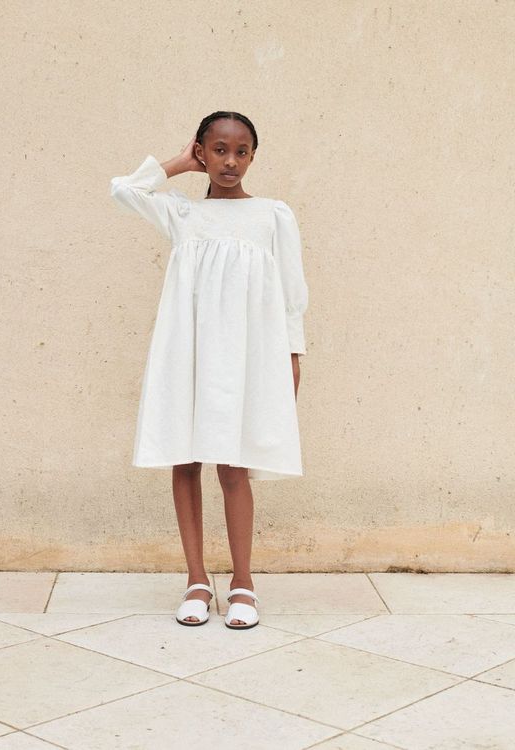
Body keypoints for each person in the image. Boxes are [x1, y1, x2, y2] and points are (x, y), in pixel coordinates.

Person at [109, 111, 309, 629]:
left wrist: (293, 357)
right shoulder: (182, 213)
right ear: (202, 152)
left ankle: (243, 583)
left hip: (245, 357)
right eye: (218, 150)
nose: (230, 161)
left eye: (241, 151)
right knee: (185, 458)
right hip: (188, 351)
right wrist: (178, 164)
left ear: (253, 156)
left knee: (234, 465)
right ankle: (197, 580)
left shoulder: (272, 215)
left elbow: (292, 297)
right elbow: (124, 189)